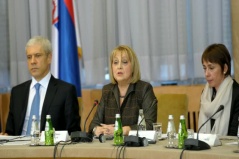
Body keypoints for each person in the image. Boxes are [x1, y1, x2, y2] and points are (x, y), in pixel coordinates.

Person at [3, 36, 81, 136]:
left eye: (38, 55)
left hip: (49, 149)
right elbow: (10, 131)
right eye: (29, 57)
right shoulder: (17, 92)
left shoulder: (65, 91)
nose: (33, 61)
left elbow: (73, 132)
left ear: (49, 58)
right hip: (19, 148)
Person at [89, 45, 157, 137]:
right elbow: (94, 123)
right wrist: (97, 129)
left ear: (133, 66)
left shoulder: (144, 89)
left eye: (124, 62)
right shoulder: (107, 90)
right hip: (110, 146)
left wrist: (124, 130)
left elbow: (150, 125)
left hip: (135, 147)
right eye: (115, 62)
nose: (119, 67)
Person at [198, 43, 239, 136]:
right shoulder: (205, 94)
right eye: (205, 68)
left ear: (224, 68)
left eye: (211, 68)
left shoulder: (236, 93)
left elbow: (234, 134)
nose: (206, 74)